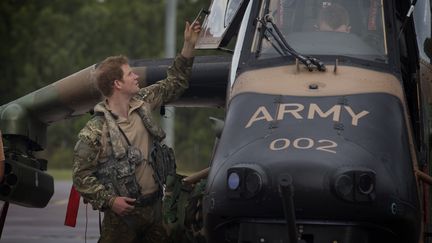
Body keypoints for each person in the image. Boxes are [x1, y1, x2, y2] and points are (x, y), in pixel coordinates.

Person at [72, 20, 201, 243]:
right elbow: (81, 177)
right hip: (122, 218)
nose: (136, 77)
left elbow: (176, 82)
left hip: (155, 209)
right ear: (117, 84)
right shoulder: (94, 131)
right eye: (130, 74)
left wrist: (188, 47)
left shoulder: (143, 102)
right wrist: (111, 201)